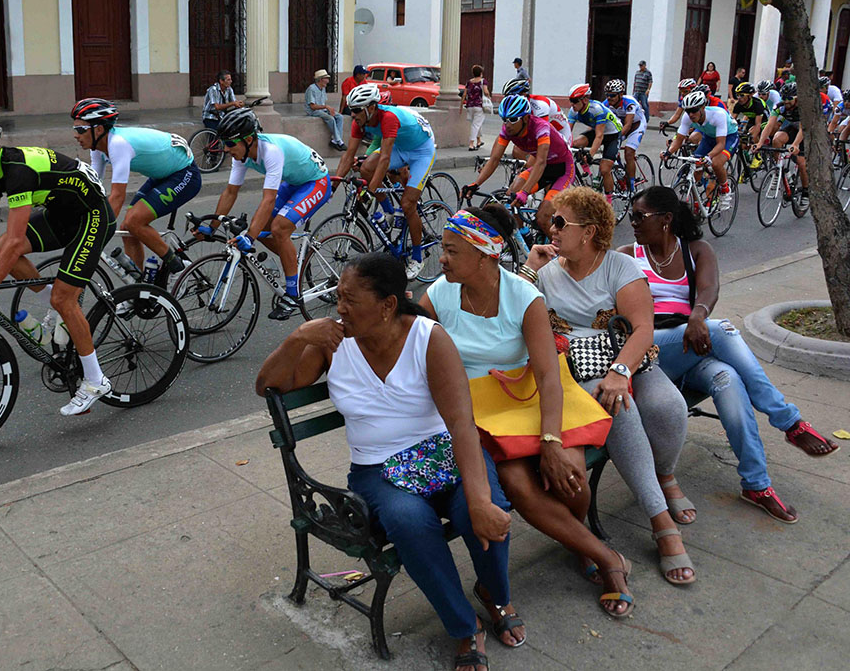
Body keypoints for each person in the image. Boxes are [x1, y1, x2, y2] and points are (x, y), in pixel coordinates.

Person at [256, 252, 518, 671]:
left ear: (387, 305)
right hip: (377, 469)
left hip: (443, 453)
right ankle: (464, 626)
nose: (340, 308)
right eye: (338, 297)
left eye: (350, 299)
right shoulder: (333, 344)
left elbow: (461, 424)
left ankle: (494, 593)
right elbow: (268, 384)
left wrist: (480, 500)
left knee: (484, 511)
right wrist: (299, 336)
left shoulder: (428, 339)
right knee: (409, 522)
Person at [418, 204, 635, 617]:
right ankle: (605, 556)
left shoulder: (524, 297)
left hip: (534, 398)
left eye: (451, 251)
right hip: (484, 412)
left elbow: (548, 375)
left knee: (571, 478)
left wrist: (551, 440)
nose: (441, 259)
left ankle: (579, 542)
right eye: (442, 249)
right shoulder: (440, 294)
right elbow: (405, 334)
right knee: (517, 482)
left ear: (485, 254)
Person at [619, 186, 840, 522]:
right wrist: (699, 320)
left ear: (665, 219)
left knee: (728, 378)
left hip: (690, 345)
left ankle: (757, 484)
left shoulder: (696, 250)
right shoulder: (627, 256)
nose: (632, 222)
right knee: (722, 329)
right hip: (651, 350)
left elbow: (710, 289)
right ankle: (789, 421)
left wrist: (697, 316)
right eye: (632, 216)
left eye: (639, 216)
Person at [524, 186, 697, 585]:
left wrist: (620, 371)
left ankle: (665, 476)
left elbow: (643, 328)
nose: (551, 229)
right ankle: (661, 521)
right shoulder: (546, 271)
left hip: (625, 359)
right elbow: (511, 314)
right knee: (618, 407)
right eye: (551, 221)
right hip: (576, 372)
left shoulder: (619, 267)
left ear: (588, 231)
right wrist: (530, 269)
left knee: (668, 407)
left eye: (560, 222)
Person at [0, 114, 115, 416]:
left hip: (92, 216)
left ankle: (96, 381)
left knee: (63, 298)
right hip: (62, 214)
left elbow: (17, 242)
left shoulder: (18, 172)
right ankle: (58, 309)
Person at [210, 108, 331, 319]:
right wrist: (211, 227)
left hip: (316, 182)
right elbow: (230, 192)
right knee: (262, 228)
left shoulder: (271, 151)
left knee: (279, 228)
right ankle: (293, 261)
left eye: (229, 143)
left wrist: (249, 237)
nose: (226, 149)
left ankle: (293, 295)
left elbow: (268, 200)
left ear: (248, 140)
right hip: (294, 182)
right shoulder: (241, 155)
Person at [70, 98, 198, 282]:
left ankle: (178, 268)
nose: (75, 135)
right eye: (74, 128)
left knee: (134, 222)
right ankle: (138, 287)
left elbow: (117, 196)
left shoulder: (118, 144)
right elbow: (94, 187)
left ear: (98, 129)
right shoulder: (97, 147)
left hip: (185, 174)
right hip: (163, 175)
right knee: (127, 229)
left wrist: (96, 234)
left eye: (80, 129)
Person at [336, 84, 437, 280]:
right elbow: (348, 156)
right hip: (401, 147)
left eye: (356, 110)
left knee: (408, 204)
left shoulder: (388, 117)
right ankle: (389, 211)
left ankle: (417, 258)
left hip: (421, 152)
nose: (352, 114)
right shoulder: (359, 122)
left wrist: (370, 190)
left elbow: (384, 159)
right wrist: (332, 186)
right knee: (366, 168)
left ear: (370, 108)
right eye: (350, 110)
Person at [462, 95, 574, 237]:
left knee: (542, 217)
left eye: (513, 119)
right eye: (504, 119)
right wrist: (475, 184)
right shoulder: (507, 131)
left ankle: (559, 249)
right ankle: (524, 237)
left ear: (526, 118)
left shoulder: (541, 127)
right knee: (511, 197)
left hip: (562, 170)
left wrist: (525, 192)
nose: (508, 124)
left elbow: (540, 162)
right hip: (544, 169)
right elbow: (495, 159)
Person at [662, 90, 738, 210]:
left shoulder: (718, 115)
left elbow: (721, 144)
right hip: (709, 137)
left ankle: (725, 189)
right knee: (695, 167)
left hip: (729, 136)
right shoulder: (687, 117)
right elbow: (679, 139)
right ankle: (697, 204)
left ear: (703, 107)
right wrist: (668, 152)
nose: (691, 114)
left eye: (694, 110)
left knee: (716, 163)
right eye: (688, 111)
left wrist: (708, 156)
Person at [752, 81, 809, 210]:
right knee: (777, 139)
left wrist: (795, 145)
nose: (786, 101)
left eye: (789, 98)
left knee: (801, 163)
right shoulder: (780, 106)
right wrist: (760, 143)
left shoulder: (803, 107)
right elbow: (769, 125)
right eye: (784, 98)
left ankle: (806, 192)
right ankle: (780, 169)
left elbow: (803, 129)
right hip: (792, 128)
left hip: (805, 131)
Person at [567, 83, 623, 204]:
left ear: (585, 100)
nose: (572, 104)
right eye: (570, 101)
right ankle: (588, 175)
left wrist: (590, 155)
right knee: (575, 144)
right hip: (597, 131)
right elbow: (567, 133)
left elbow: (599, 136)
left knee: (604, 169)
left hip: (612, 134)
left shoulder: (597, 109)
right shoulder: (573, 111)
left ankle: (608, 202)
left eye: (575, 101)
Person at [603, 79, 647, 193]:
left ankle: (631, 187)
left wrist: (615, 138)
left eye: (612, 95)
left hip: (636, 125)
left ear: (621, 94)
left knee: (628, 152)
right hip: (621, 125)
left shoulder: (629, 103)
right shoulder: (606, 104)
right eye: (607, 95)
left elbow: (628, 125)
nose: (609, 98)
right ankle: (621, 173)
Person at [502, 78, 571, 143]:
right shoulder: (519, 108)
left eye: (511, 97)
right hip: (549, 132)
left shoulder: (540, 105)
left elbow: (542, 131)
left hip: (561, 133)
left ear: (523, 94)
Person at [305, 69, 346, 151]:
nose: (328, 81)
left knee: (339, 117)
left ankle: (334, 140)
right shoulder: (311, 89)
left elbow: (323, 102)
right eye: (326, 78)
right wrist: (326, 107)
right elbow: (312, 106)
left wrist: (328, 109)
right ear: (320, 79)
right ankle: (339, 141)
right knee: (330, 118)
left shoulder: (323, 88)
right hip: (314, 111)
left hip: (322, 109)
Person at [461, 65, 490, 152]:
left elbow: (464, 94)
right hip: (479, 105)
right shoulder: (483, 81)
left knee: (477, 123)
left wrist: (461, 105)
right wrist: (488, 96)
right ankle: (471, 144)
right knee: (476, 125)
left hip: (470, 106)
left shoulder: (469, 82)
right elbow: (486, 92)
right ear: (481, 73)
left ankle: (479, 141)